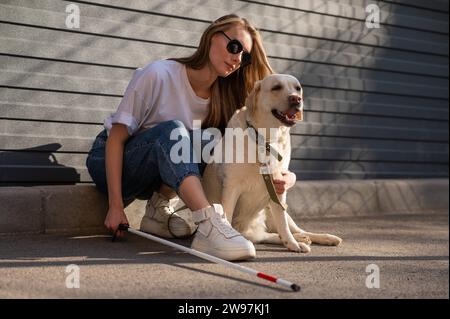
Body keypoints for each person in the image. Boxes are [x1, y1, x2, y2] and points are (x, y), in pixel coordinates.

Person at [86, 14, 297, 261]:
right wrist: (115, 207)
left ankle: (158, 211)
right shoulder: (159, 74)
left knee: (212, 140)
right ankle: (209, 225)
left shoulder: (223, 98)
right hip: (114, 162)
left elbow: (252, 151)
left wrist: (287, 176)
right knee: (173, 130)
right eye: (235, 46)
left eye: (245, 56)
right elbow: (115, 139)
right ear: (211, 37)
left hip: (155, 176)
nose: (237, 58)